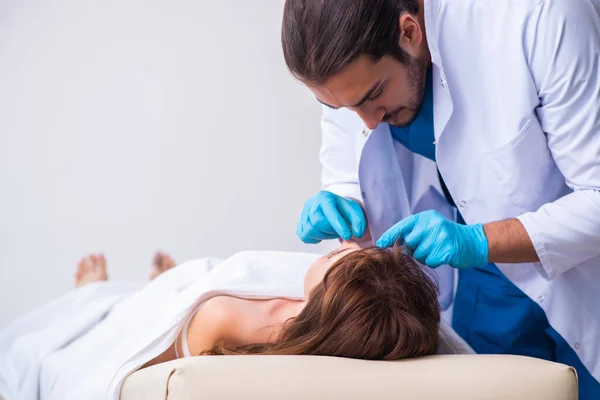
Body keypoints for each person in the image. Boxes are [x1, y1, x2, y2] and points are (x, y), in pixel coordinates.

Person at [281, 0, 600, 398]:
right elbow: (350, 162)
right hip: (479, 299)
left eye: (372, 96)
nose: (365, 120)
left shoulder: (539, 16)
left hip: (584, 285)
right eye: (339, 107)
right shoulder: (352, 75)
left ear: (410, 32)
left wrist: (478, 241)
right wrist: (343, 197)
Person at [63, 242, 444, 369]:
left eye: (334, 258)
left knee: (111, 311)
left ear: (329, 301)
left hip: (172, 322)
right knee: (172, 294)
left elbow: (126, 352)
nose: (346, 243)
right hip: (190, 301)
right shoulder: (331, 316)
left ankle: (94, 295)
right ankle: (165, 285)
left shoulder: (226, 317)